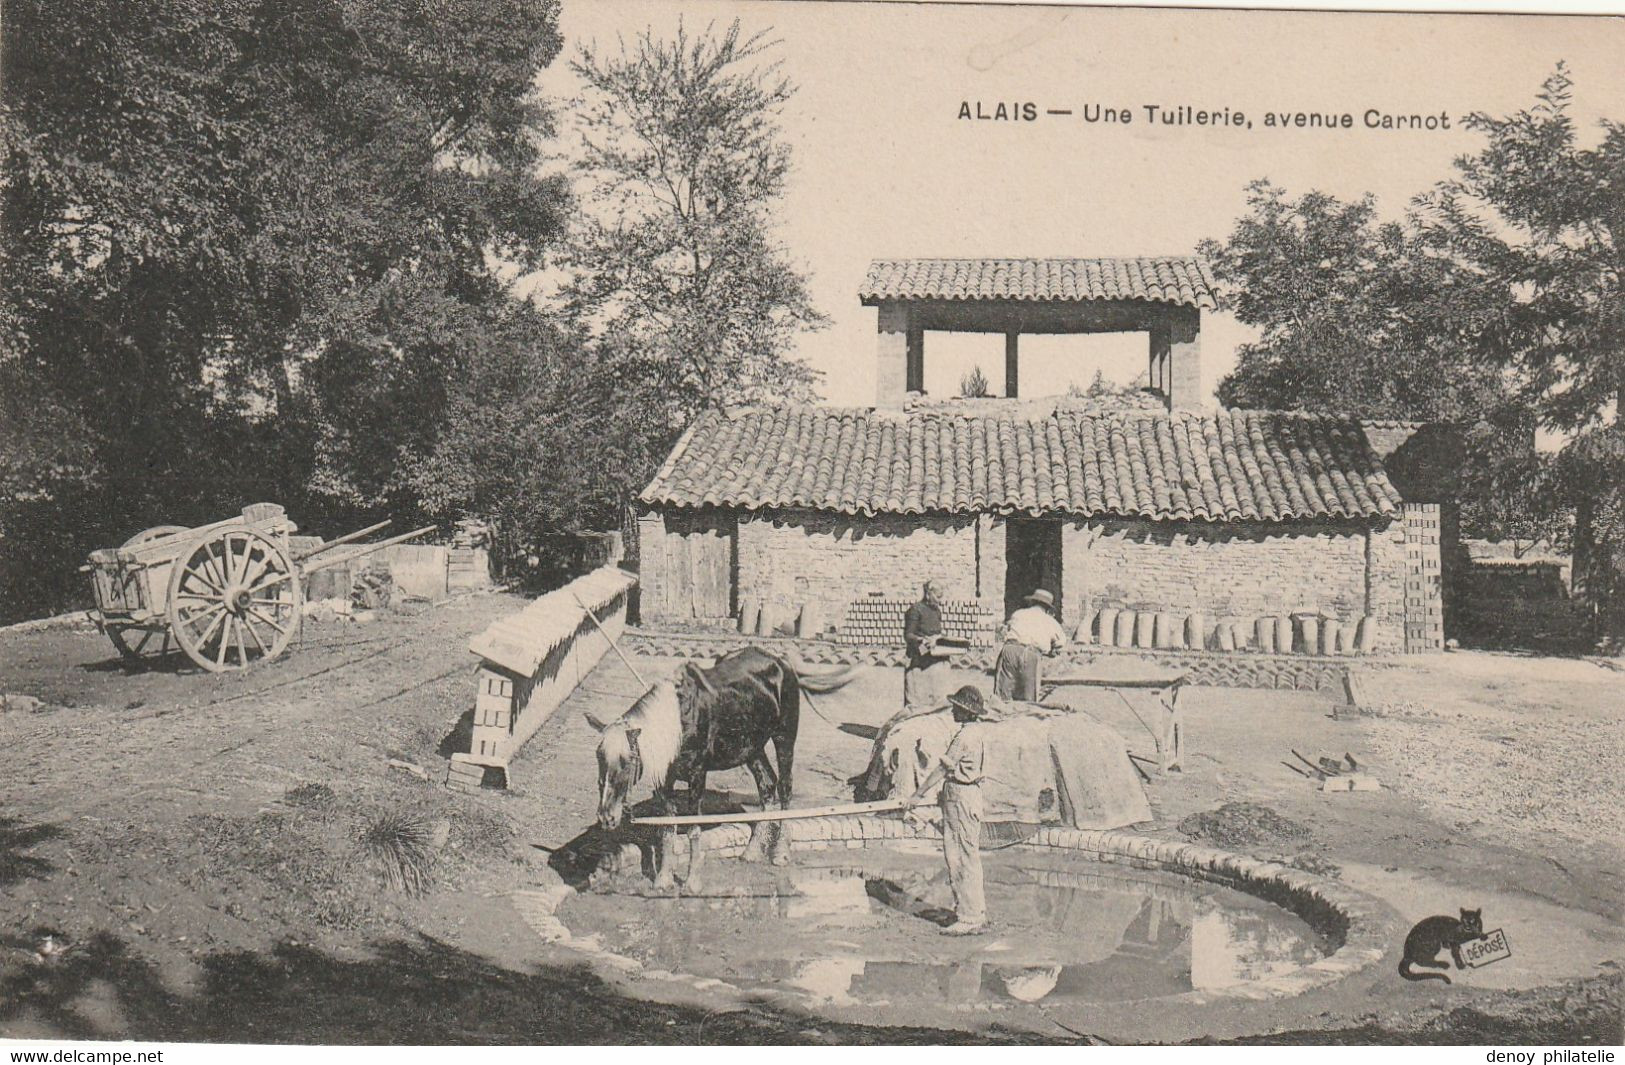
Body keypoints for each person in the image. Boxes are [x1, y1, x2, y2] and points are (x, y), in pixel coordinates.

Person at [902, 684, 991, 935]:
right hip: (970, 793)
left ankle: (969, 917)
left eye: (957, 707)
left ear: (966, 711)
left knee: (960, 856)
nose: (953, 711)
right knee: (968, 855)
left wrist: (917, 795)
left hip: (961, 796)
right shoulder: (981, 733)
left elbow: (942, 769)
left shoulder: (965, 737)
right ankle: (973, 910)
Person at [993, 588, 1067, 701]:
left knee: (1001, 696)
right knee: (1029, 699)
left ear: (1032, 602)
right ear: (1047, 608)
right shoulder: (1051, 621)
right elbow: (1061, 643)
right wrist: (1051, 650)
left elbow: (1005, 630)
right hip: (1032, 655)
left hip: (1010, 650)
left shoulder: (1018, 614)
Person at [902, 579, 952, 707]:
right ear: (928, 594)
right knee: (917, 700)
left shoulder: (936, 611)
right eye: (937, 596)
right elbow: (908, 635)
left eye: (941, 597)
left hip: (935, 660)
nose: (940, 600)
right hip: (918, 660)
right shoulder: (915, 610)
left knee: (936, 699)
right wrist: (922, 640)